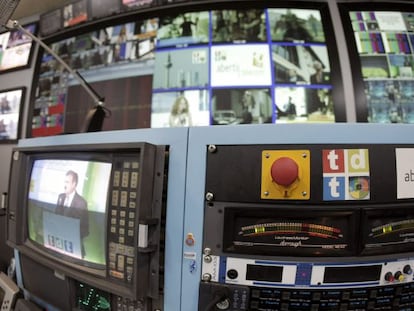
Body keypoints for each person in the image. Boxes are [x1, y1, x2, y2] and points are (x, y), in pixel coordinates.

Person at [56, 170, 89, 258]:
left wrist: (70, 234)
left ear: (74, 184)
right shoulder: (60, 197)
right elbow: (56, 219)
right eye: (64, 181)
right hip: (59, 245)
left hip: (74, 249)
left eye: (67, 182)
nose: (64, 185)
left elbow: (85, 230)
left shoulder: (81, 203)